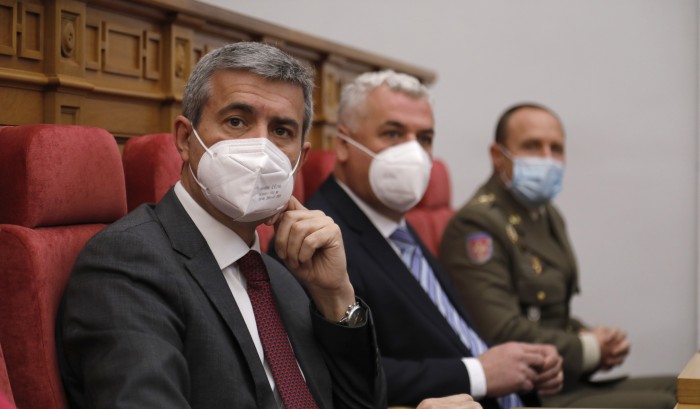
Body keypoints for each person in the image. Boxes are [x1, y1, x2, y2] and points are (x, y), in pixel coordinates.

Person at [56, 41, 386, 409]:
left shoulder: (285, 276)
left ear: (300, 158)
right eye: (236, 121)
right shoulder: (128, 261)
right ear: (185, 139)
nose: (261, 150)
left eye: (281, 131)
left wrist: (336, 295)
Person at [289, 70, 564, 409]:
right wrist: (478, 373)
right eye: (393, 133)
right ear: (343, 145)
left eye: (425, 138)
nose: (414, 152)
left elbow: (448, 333)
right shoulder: (321, 240)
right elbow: (343, 374)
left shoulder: (396, 224)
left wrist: (526, 362)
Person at [440, 103, 677, 408]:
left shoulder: (545, 214)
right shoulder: (476, 225)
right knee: (666, 404)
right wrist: (589, 349)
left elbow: (548, 312)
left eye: (556, 148)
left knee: (683, 388)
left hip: (565, 380)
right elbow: (500, 332)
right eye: (532, 146)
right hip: (525, 394)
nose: (547, 158)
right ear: (498, 156)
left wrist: (591, 335)